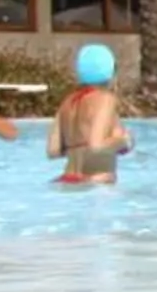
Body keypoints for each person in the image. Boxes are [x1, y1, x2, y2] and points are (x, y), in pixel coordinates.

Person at [49, 43, 132, 185]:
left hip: (67, 179)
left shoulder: (67, 102)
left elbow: (53, 151)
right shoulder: (105, 99)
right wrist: (124, 140)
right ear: (110, 72)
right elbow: (96, 146)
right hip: (95, 181)